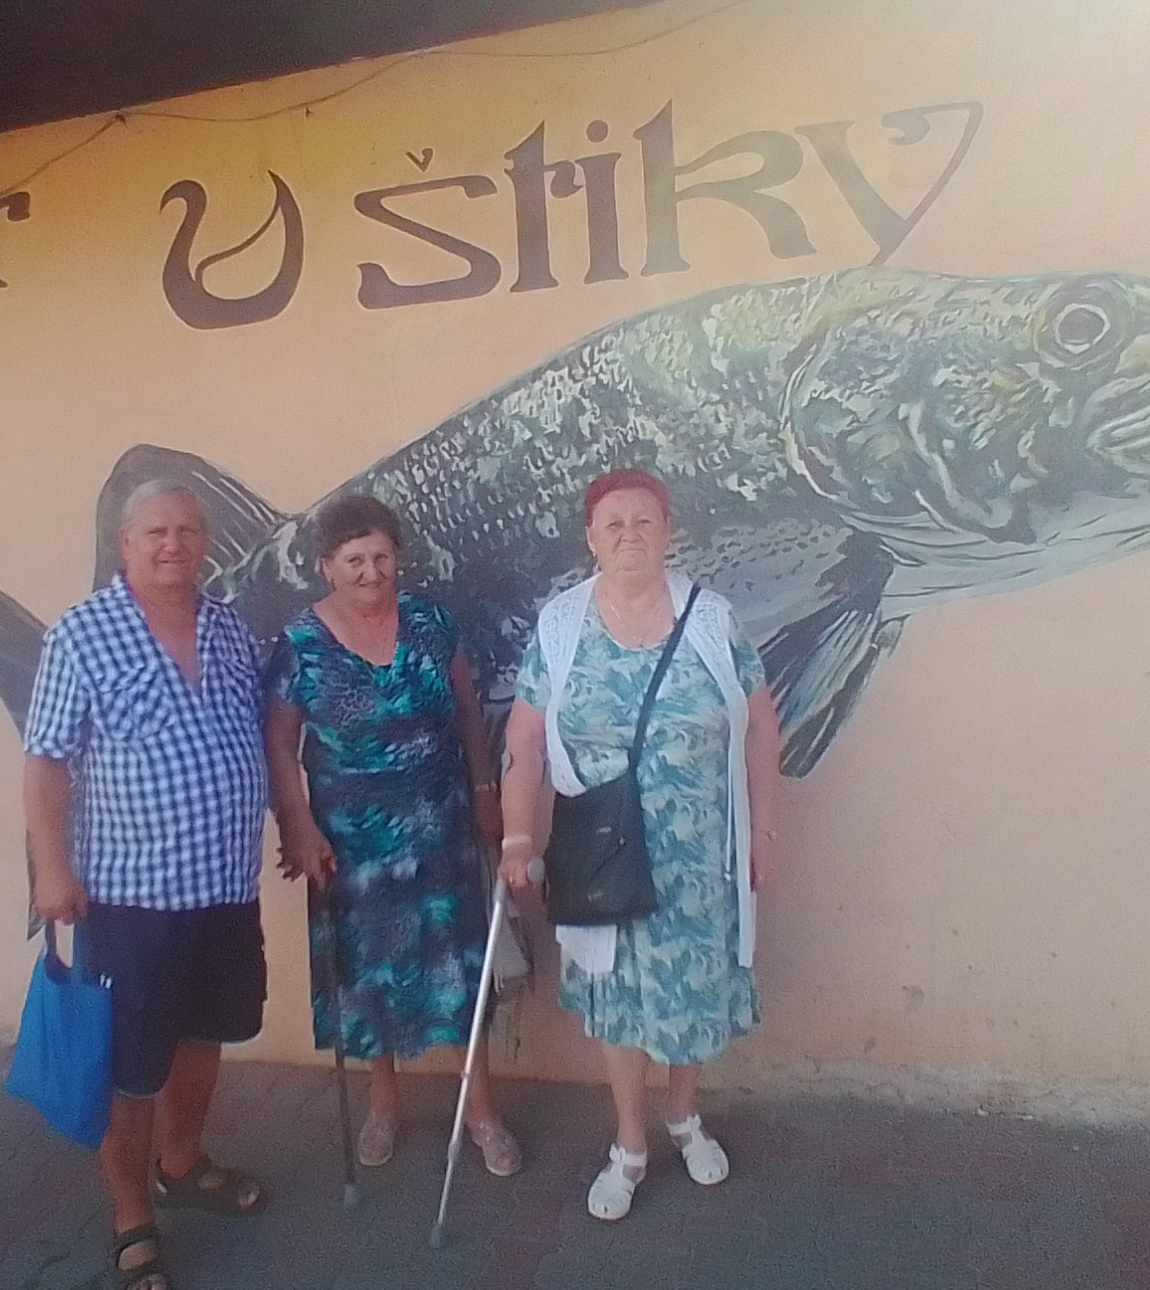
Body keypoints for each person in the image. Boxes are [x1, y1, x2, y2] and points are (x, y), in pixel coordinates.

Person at [498, 468, 782, 1221]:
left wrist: (763, 829)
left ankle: (683, 1114)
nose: (630, 534)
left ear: (668, 532)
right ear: (592, 539)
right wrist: (518, 834)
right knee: (618, 998)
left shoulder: (712, 618)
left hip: (700, 854)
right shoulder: (562, 624)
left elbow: (761, 725)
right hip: (602, 853)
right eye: (614, 523)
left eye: (645, 521)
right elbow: (524, 737)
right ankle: (629, 1142)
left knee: (694, 992)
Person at [23, 480, 273, 1290]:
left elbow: (255, 737)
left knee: (206, 1034)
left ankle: (183, 1163)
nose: (173, 544)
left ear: (205, 541)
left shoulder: (229, 629)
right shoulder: (82, 634)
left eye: (187, 530)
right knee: (129, 1066)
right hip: (131, 899)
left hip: (225, 888)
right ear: (126, 544)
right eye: (155, 532)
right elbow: (45, 760)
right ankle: (132, 1215)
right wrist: (51, 868)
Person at [263, 494, 519, 1175]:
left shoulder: (431, 622)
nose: (371, 572)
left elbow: (467, 712)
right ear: (327, 566)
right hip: (352, 843)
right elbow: (279, 743)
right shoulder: (300, 644)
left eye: (381, 557)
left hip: (441, 829)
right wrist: (299, 825)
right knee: (368, 973)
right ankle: (383, 1106)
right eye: (355, 560)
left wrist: (485, 791)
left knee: (460, 971)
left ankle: (481, 1111)